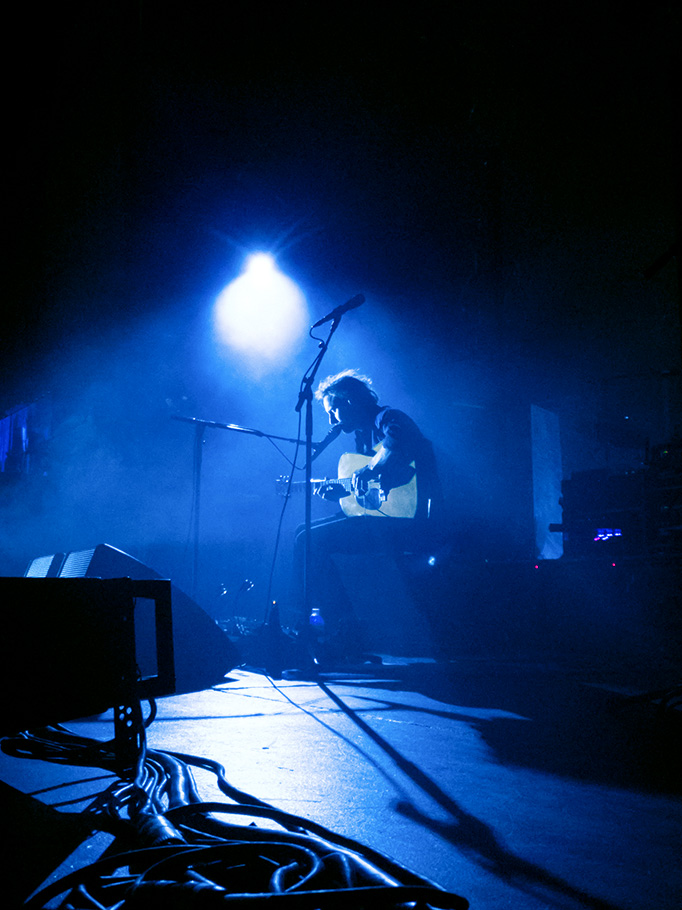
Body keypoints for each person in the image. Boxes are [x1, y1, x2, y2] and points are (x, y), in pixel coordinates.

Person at [293, 369, 443, 662]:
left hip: (413, 524)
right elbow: (375, 497)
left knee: (310, 540)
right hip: (385, 520)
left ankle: (345, 628)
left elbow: (398, 437)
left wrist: (372, 468)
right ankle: (336, 626)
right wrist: (345, 492)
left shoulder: (387, 418)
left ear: (349, 402)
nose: (331, 420)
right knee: (302, 532)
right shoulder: (362, 439)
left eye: (333, 410)